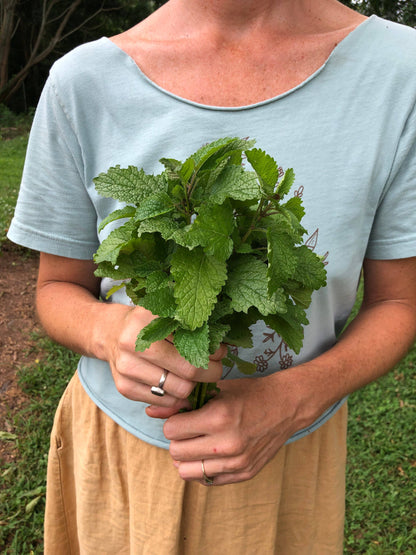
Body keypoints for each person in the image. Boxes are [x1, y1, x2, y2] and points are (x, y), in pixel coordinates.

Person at [8, 0, 416, 552]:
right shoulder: (83, 82)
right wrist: (113, 333)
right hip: (122, 450)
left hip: (286, 449)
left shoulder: (399, 71)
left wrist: (290, 400)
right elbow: (56, 289)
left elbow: (399, 303)